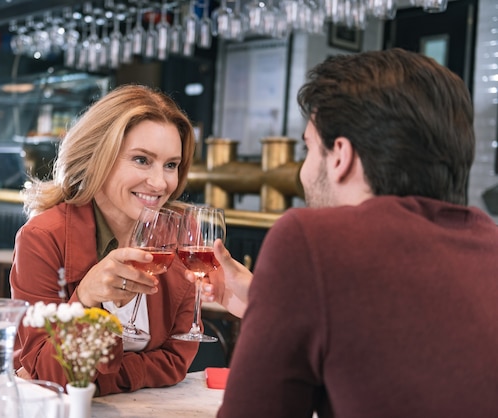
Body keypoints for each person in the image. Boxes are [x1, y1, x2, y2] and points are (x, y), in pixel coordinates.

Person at [208, 49, 498, 417]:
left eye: (308, 148)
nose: (302, 170)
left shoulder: (312, 241)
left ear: (341, 155)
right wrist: (271, 302)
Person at [10, 84, 199, 395]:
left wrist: (98, 380)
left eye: (171, 165)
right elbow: (47, 371)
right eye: (141, 160)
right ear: (98, 157)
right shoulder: (42, 238)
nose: (159, 182)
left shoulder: (179, 237)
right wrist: (84, 299)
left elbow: (176, 361)